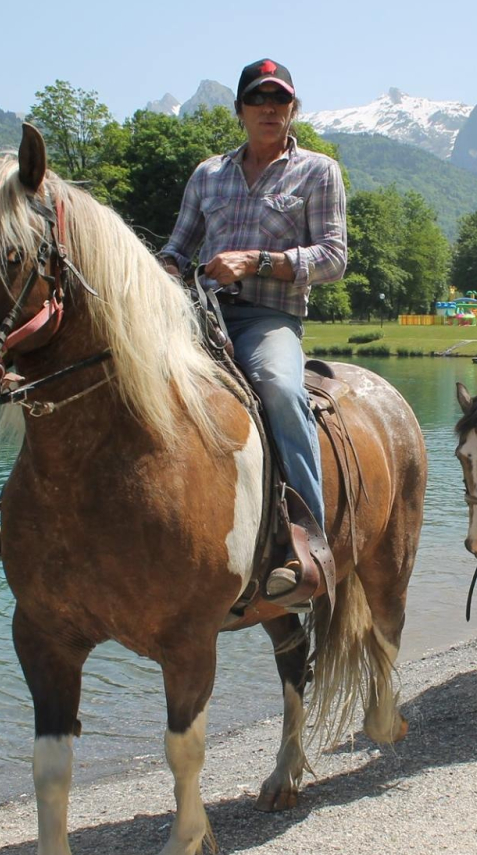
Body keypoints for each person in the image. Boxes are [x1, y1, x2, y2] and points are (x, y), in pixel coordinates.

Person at [157, 57, 347, 605]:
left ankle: (308, 543)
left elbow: (334, 257)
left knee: (282, 390)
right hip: (198, 314)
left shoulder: (318, 171)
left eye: (280, 100)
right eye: (258, 100)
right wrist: (159, 272)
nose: (270, 109)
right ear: (240, 110)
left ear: (293, 109)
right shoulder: (207, 174)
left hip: (268, 317)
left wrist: (257, 261)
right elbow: (178, 248)